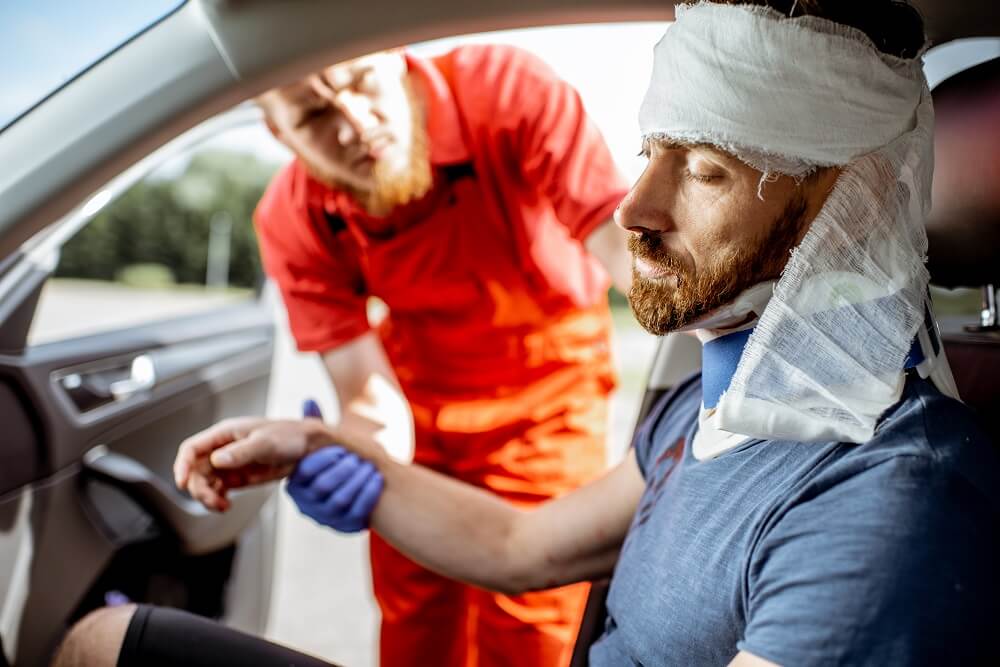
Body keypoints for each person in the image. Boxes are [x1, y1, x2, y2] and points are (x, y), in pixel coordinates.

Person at [54, 1, 1000, 666]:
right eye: (647, 154)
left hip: (545, 414)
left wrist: (689, 285)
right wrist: (336, 449)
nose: (636, 205)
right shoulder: (694, 417)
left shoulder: (890, 498)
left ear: (850, 208)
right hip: (434, 430)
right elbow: (516, 542)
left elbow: (607, 247)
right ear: (275, 133)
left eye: (705, 169)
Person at [240, 42, 632, 667]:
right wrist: (360, 456)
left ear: (397, 54)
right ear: (276, 131)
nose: (355, 125)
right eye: (312, 117)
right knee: (414, 619)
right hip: (414, 391)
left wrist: (715, 327)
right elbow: (365, 391)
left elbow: (619, 241)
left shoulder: (506, 90)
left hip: (550, 385)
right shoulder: (292, 219)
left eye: (361, 80)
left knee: (533, 622)